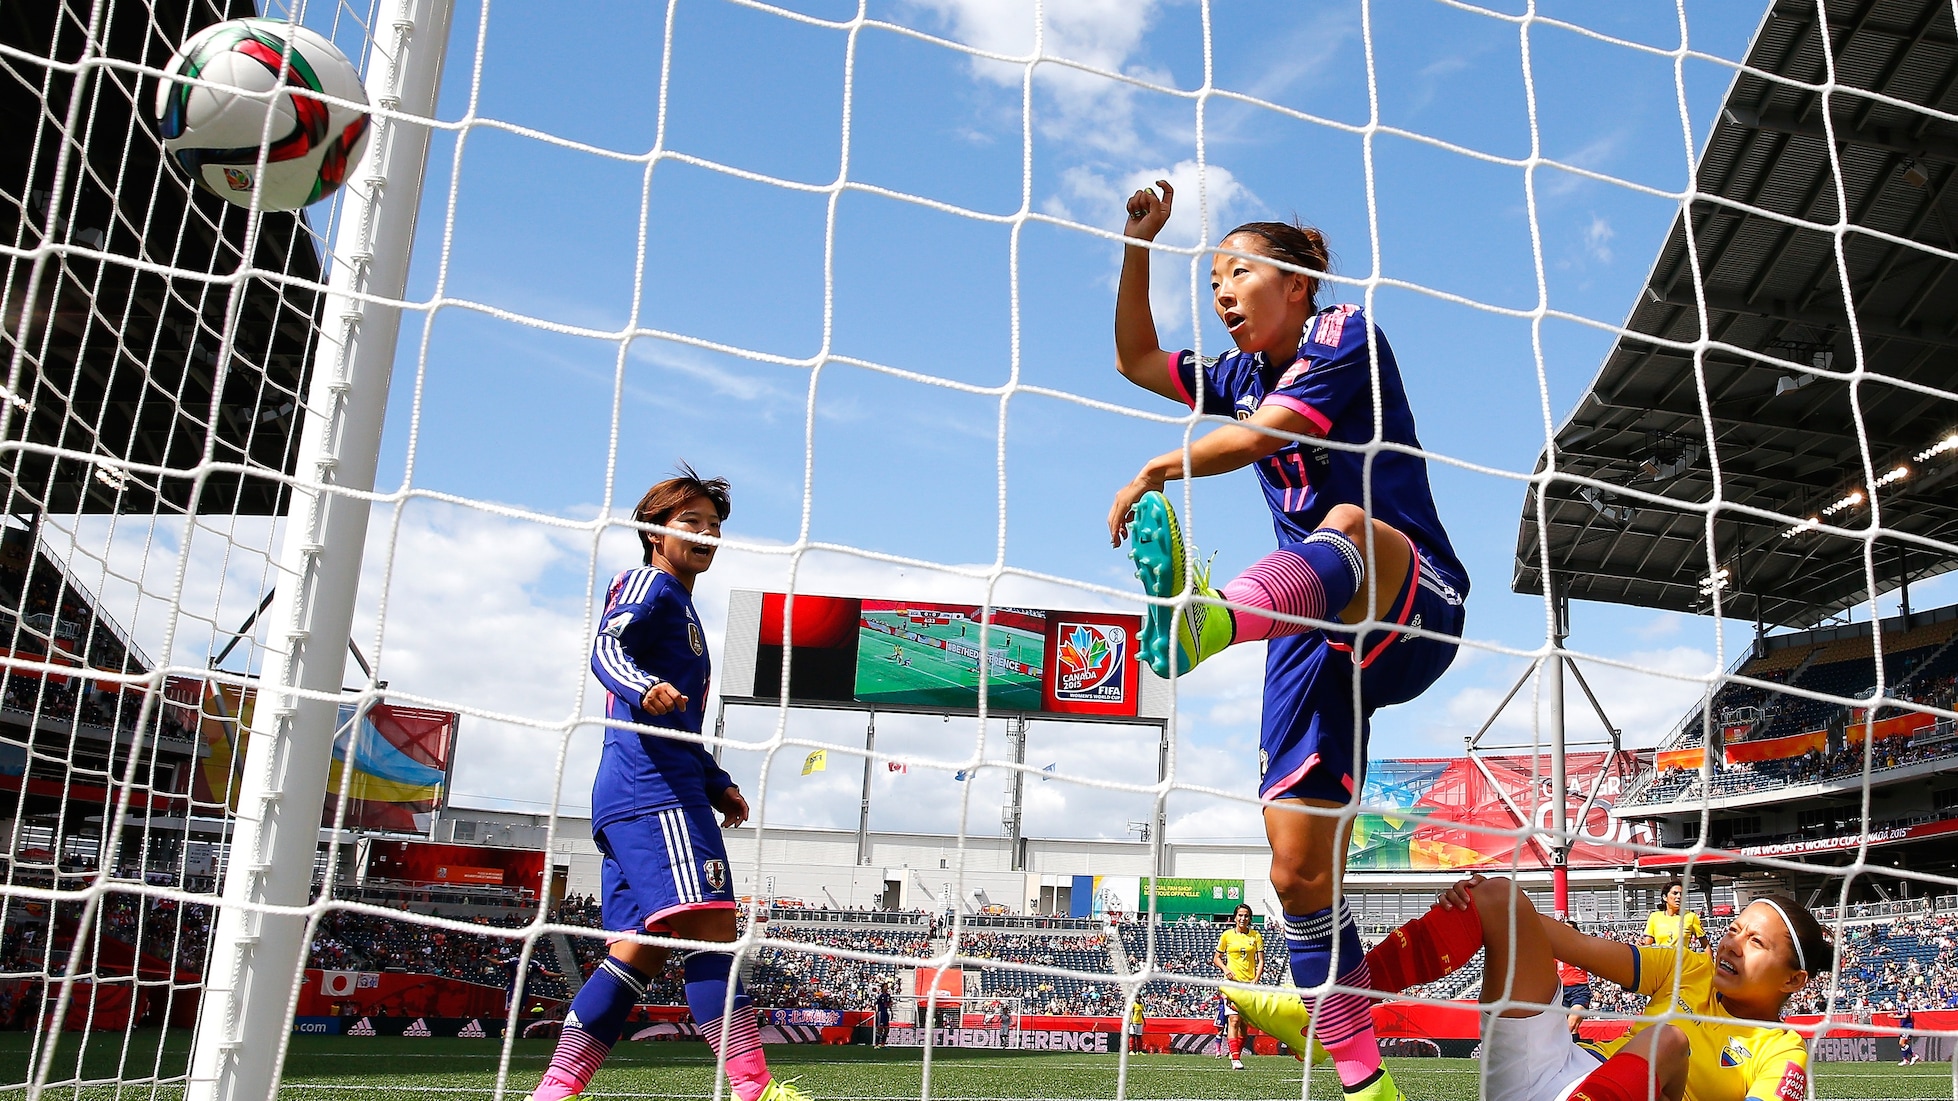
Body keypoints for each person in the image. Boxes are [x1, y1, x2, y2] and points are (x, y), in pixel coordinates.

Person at [1109, 182, 1467, 1101]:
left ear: (1299, 282)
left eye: (1238, 270)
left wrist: (1160, 462)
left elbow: (1273, 432)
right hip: (1305, 626)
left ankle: (1209, 620)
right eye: (1214, 278)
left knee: (1349, 518)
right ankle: (1365, 1086)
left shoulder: (1341, 332)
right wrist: (1139, 244)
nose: (1222, 291)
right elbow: (1139, 359)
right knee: (1299, 874)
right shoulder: (1239, 373)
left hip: (1408, 597)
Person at [527, 468, 807, 1101]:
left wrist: (715, 778)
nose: (706, 534)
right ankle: (754, 1089)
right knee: (714, 931)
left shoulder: (684, 606)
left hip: (647, 786)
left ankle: (553, 1092)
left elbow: (678, 714)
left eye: (714, 526)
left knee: (638, 952)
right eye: (691, 523)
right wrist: (638, 686)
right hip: (653, 789)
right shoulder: (646, 583)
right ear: (654, 531)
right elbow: (606, 647)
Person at [1239, 876, 1829, 1101]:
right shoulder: (1688, 968)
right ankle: (1339, 1006)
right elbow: (1568, 943)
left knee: (1669, 1041)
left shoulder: (1783, 1053)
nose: (1729, 943)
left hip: (1616, 1091)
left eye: (1755, 943)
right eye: (1734, 928)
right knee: (1500, 897)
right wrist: (1485, 912)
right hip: (1562, 1076)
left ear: (1794, 980)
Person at [1213, 903, 1266, 1069]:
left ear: (1250, 918)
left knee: (1244, 1024)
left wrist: (1256, 979)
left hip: (1249, 984)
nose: (1243, 918)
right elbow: (1216, 958)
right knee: (1233, 1020)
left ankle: (1235, 1053)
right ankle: (1235, 1059)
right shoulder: (1227, 936)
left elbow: (1261, 960)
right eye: (1240, 915)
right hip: (1231, 984)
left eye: (1246, 915)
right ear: (1235, 917)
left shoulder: (1256, 936)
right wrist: (1226, 969)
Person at [1643, 881, 1705, 951]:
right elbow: (1646, 946)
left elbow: (1705, 945)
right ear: (1665, 897)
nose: (1678, 896)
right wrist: (1640, 944)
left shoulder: (1691, 916)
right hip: (1662, 961)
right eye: (1675, 893)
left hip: (1682, 961)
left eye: (1681, 894)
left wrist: (1711, 961)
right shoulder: (1654, 917)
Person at [1559, 919, 1591, 1039]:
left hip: (1579, 990)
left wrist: (1598, 987)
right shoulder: (1556, 951)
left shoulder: (1582, 949)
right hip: (1562, 991)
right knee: (1571, 1028)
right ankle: (1572, 1052)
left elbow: (1596, 967)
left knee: (1571, 1022)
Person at [873, 983, 893, 1048]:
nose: (886, 988)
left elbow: (890, 1003)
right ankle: (876, 1044)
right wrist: (876, 1011)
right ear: (882, 988)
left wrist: (891, 1010)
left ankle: (883, 1044)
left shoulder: (888, 995)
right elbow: (875, 1003)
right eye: (885, 986)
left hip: (886, 1013)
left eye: (887, 986)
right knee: (880, 1029)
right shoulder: (880, 995)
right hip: (881, 1013)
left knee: (887, 1029)